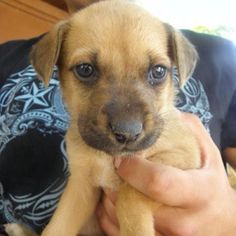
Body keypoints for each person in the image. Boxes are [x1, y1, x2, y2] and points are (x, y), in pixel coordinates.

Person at [0, 0, 235, 235]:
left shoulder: (223, 57)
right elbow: (81, 190)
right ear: (56, 71)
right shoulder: (8, 55)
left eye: (157, 72)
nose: (128, 126)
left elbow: (186, 159)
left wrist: (228, 218)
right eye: (86, 70)